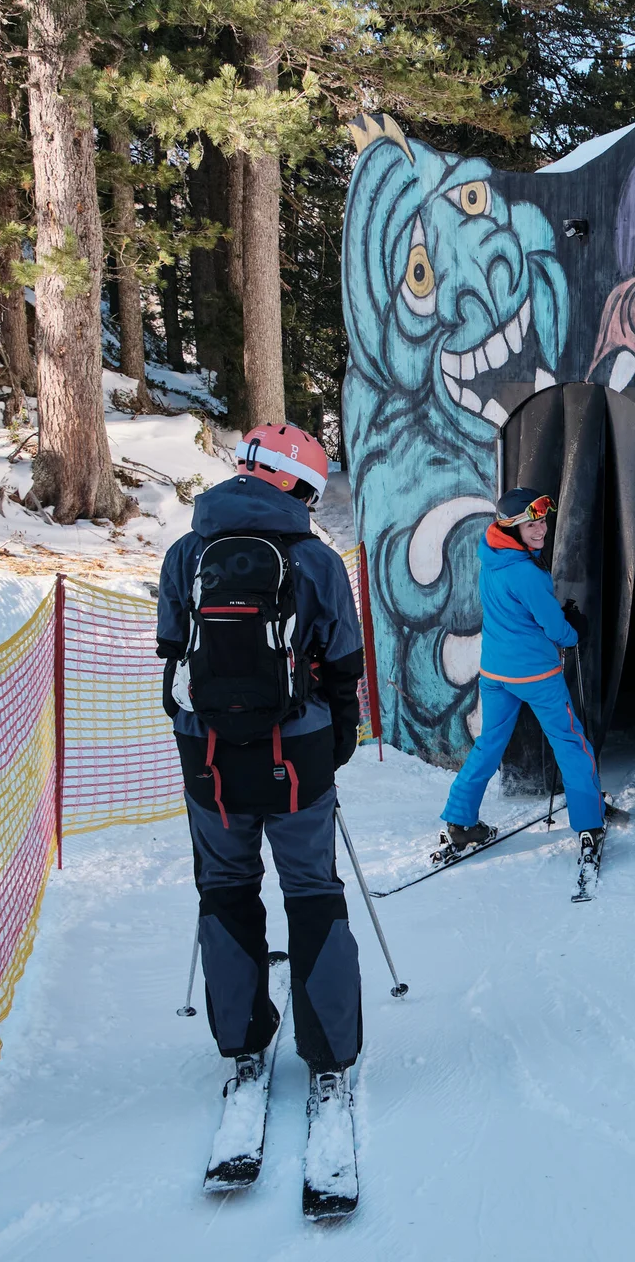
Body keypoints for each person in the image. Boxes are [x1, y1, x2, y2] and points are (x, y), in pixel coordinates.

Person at [156, 423, 370, 1121]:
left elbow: (170, 652)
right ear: (289, 481)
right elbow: (343, 663)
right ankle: (331, 1050)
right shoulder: (317, 559)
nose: (311, 500)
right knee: (311, 887)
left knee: (225, 885)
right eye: (308, 487)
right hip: (297, 750)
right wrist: (338, 742)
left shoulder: (186, 552)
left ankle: (242, 1040)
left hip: (208, 754)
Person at [439, 487, 606, 882]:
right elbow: (558, 631)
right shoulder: (527, 573)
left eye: (543, 521)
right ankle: (588, 824)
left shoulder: (491, 553)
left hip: (496, 674)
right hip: (536, 677)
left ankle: (460, 822)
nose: (542, 529)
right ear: (512, 528)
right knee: (570, 743)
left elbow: (519, 611)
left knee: (489, 744)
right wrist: (574, 628)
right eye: (532, 524)